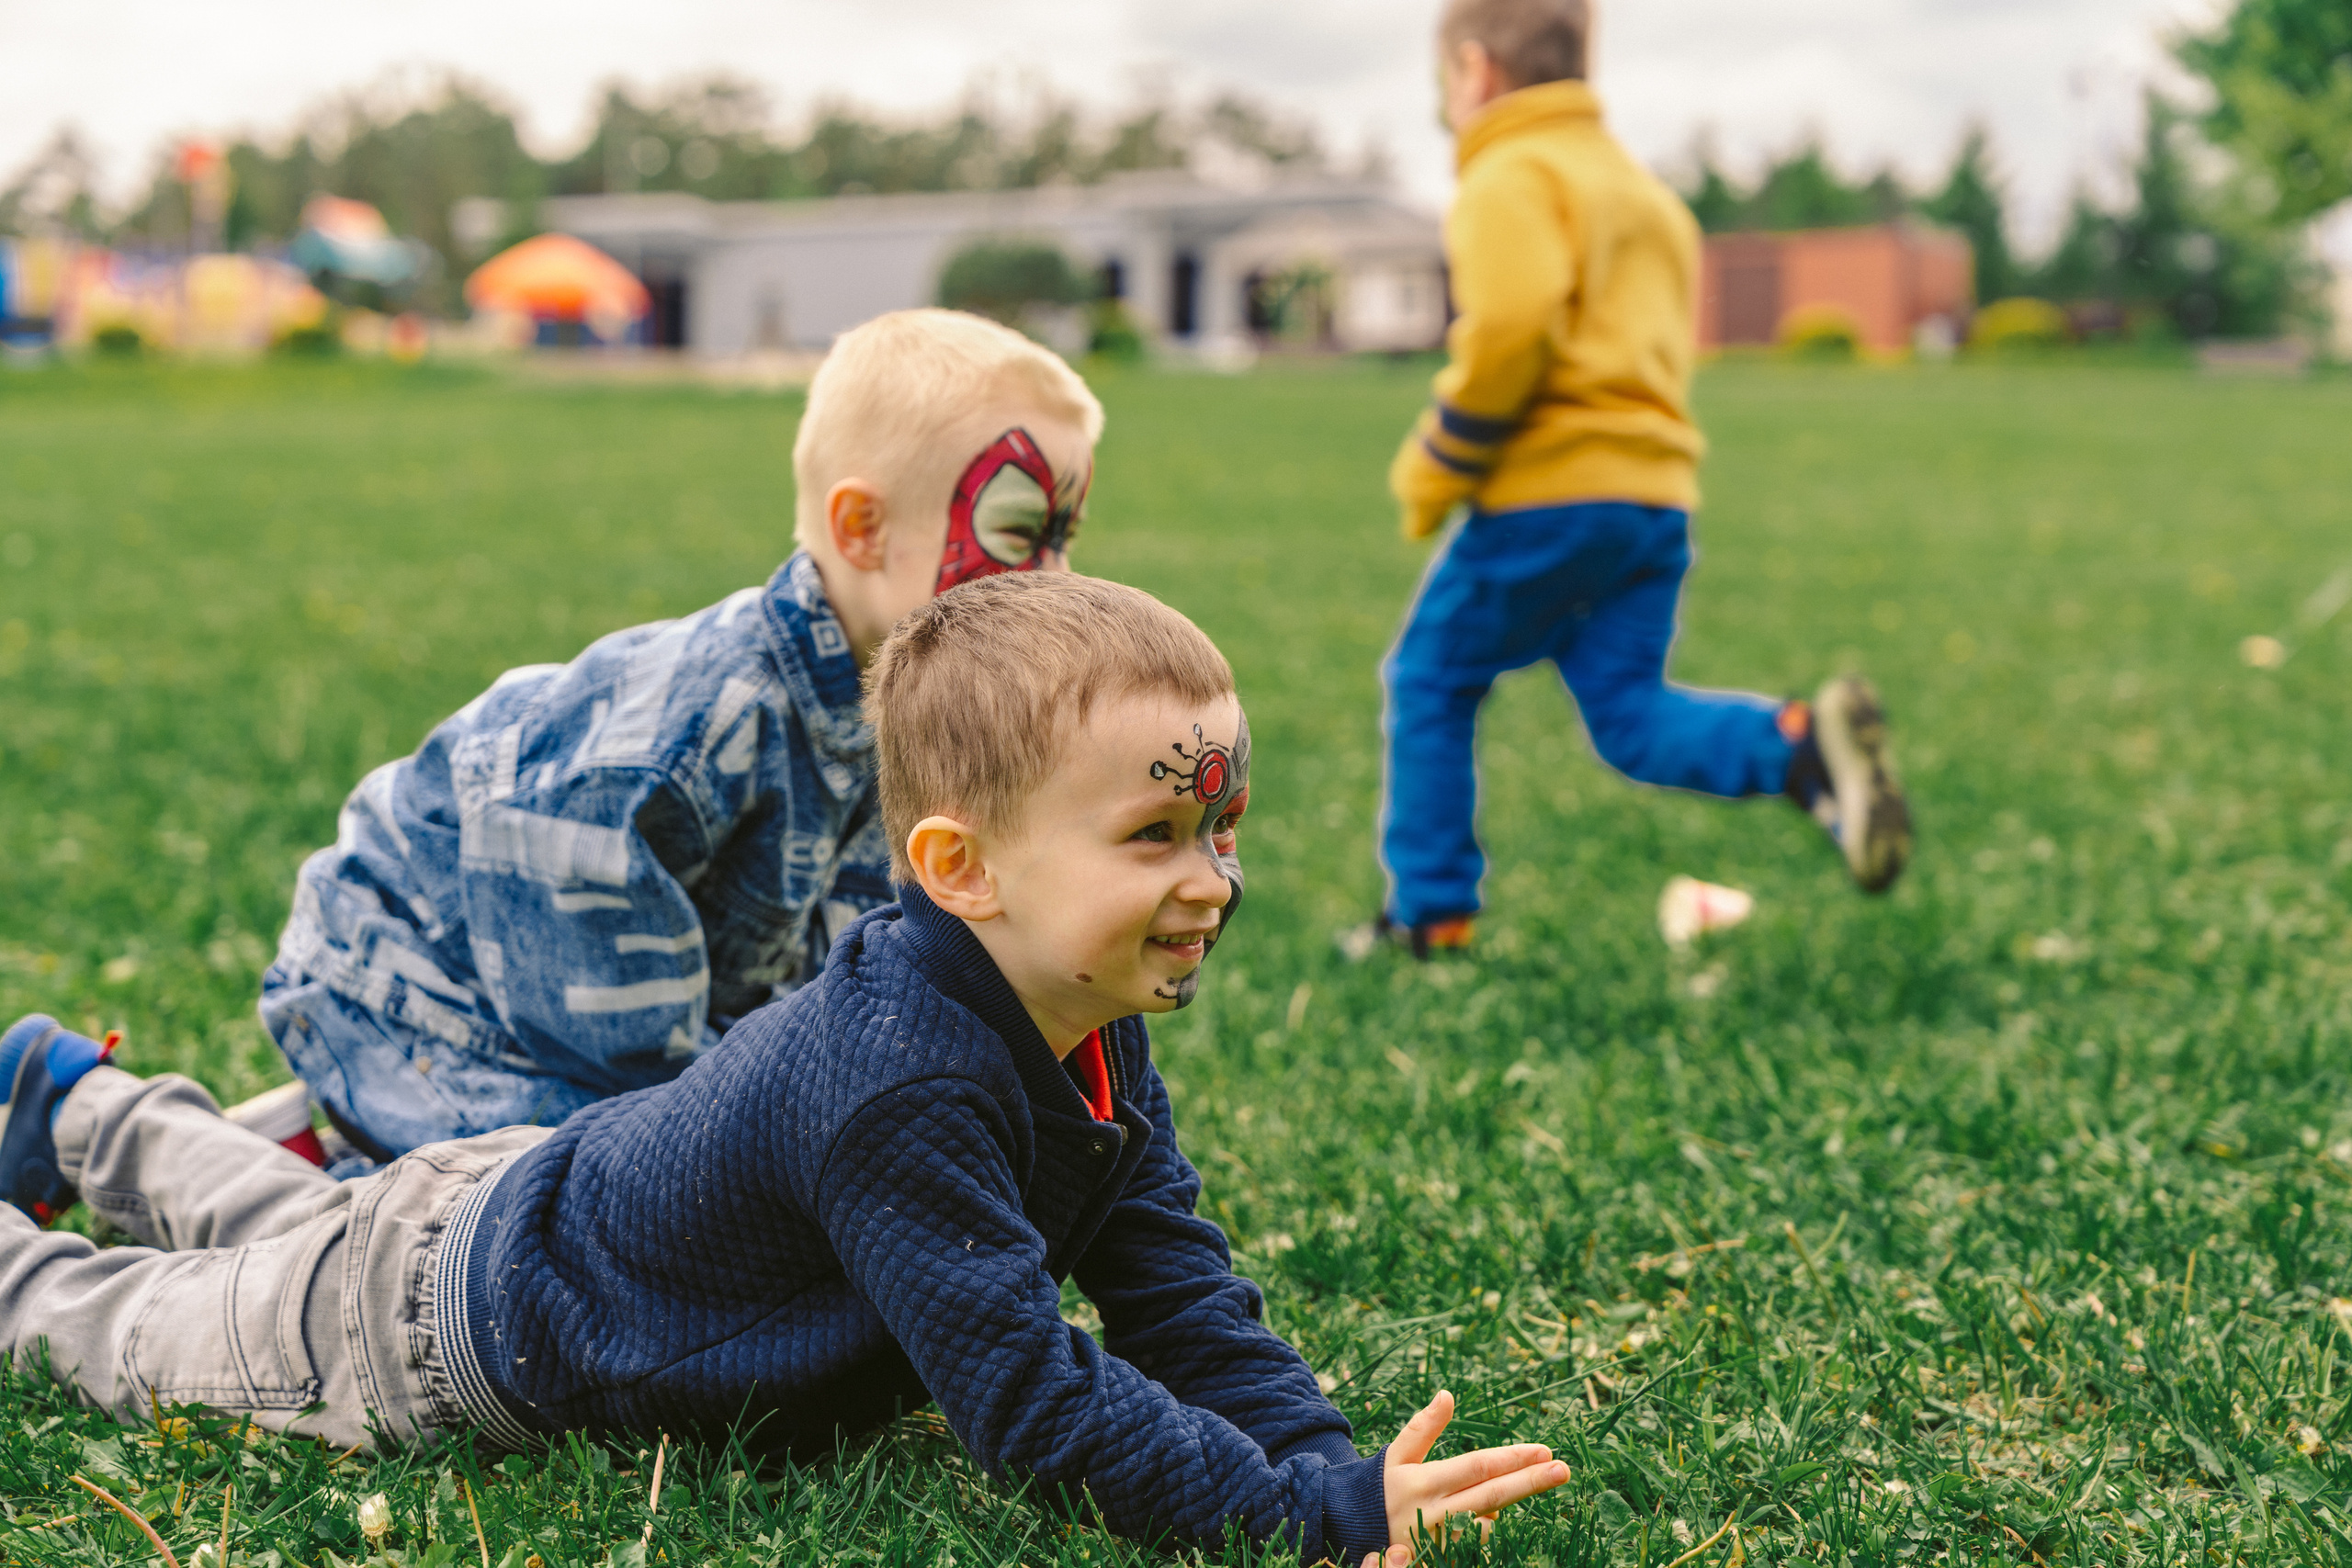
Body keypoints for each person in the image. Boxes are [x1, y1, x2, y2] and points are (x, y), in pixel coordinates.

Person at [0, 572, 1570, 1565]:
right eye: (1155, 835)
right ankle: (54, 1137)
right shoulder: (905, 1081)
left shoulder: (1086, 1026)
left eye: (1221, 827)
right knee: (116, 1317)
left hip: (500, 1208)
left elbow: (1170, 1280)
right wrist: (1291, 1519)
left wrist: (1324, 1467)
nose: (1212, 877)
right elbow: (1025, 1390)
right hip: (456, 1330)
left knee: (283, 1229)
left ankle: (65, 1092)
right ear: (964, 866)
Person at [261, 309, 1104, 1166]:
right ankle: (281, 1170)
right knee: (569, 1216)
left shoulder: (911, 719)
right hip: (418, 989)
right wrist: (702, 1122)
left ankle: (334, 1148)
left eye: (1065, 539)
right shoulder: (713, 708)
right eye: (1019, 537)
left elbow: (856, 962)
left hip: (584, 1015)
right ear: (863, 531)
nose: (1057, 582)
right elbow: (559, 862)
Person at [1361, 0, 1911, 960]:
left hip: (1546, 496)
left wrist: (1439, 460)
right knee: (1628, 717)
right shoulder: (1640, 193)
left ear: (1477, 72)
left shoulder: (1507, 171)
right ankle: (1797, 745)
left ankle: (1429, 914)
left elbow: (1511, 331)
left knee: (1430, 680)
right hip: (1652, 500)